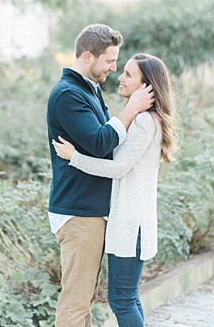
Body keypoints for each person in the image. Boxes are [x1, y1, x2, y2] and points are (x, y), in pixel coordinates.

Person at [53, 52, 177, 327]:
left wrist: (74, 157)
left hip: (130, 222)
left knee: (122, 300)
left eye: (129, 74)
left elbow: (117, 168)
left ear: (147, 87)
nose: (119, 76)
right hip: (133, 220)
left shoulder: (144, 122)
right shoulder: (142, 120)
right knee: (128, 298)